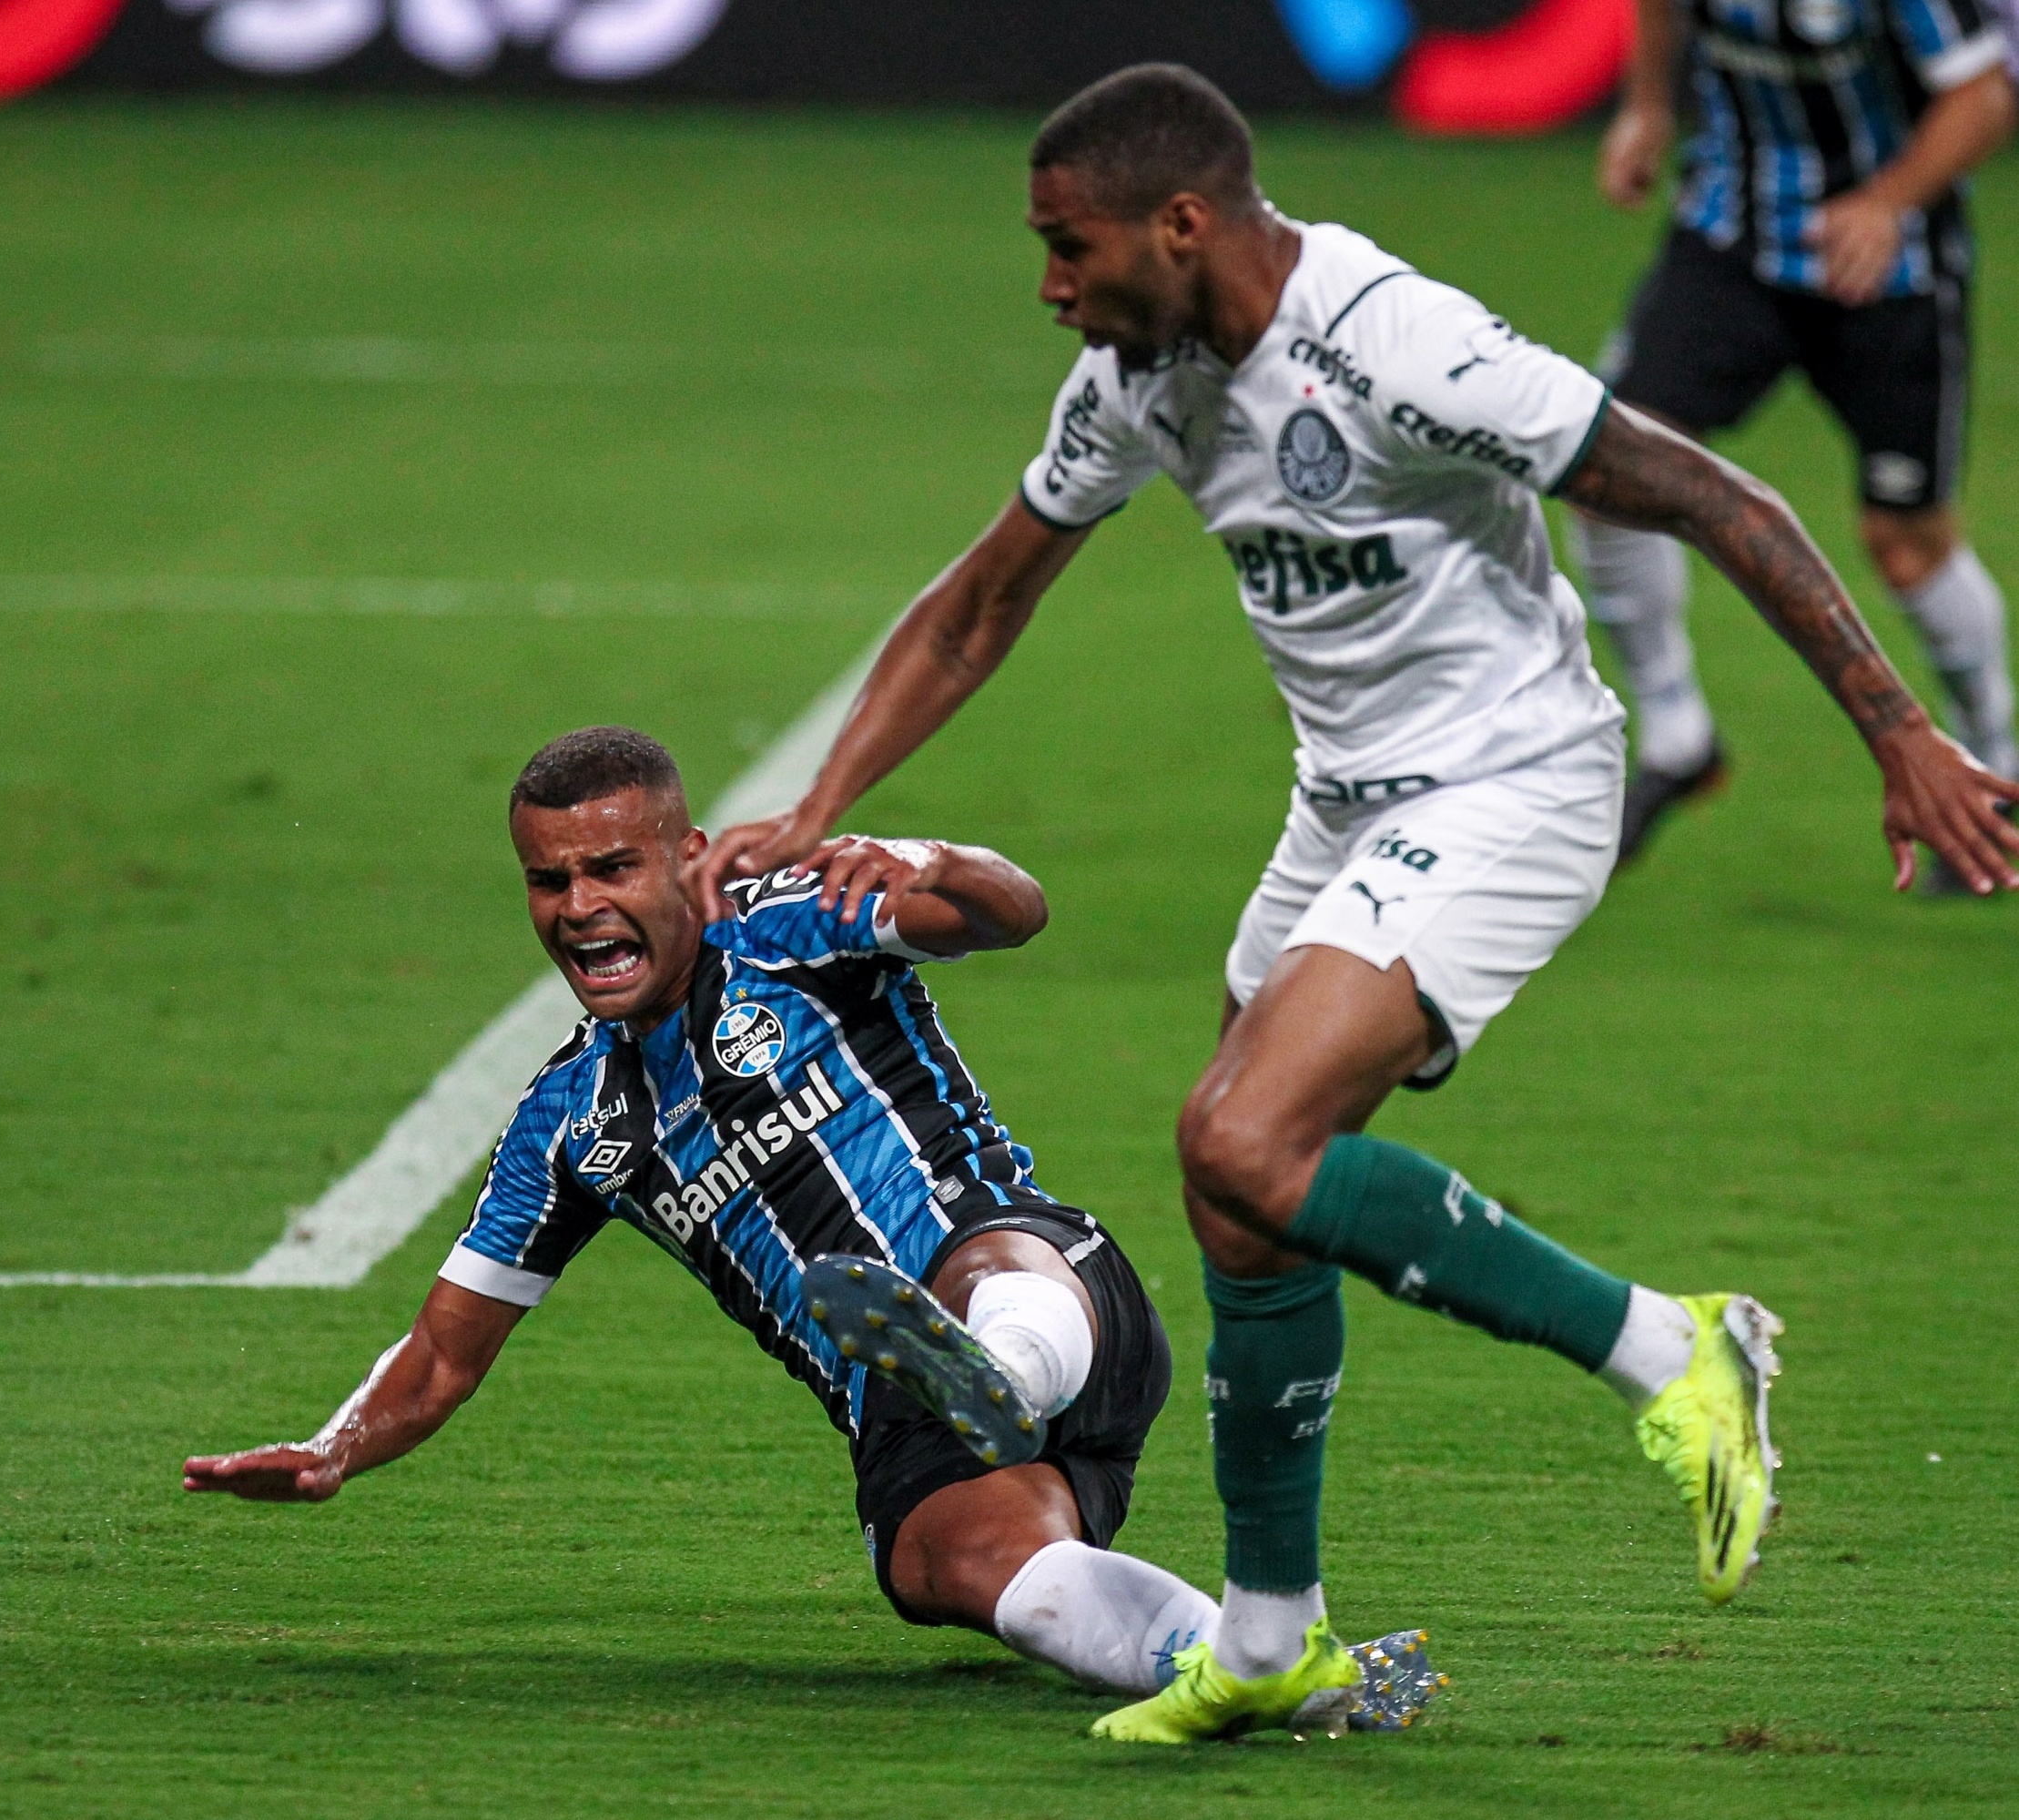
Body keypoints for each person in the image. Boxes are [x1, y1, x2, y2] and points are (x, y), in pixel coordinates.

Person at [693, 64, 2019, 1744]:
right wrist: (817, 810)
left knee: (1242, 1134)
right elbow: (979, 603)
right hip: (1347, 801)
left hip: (1516, 781)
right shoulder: (1137, 374)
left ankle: (1673, 1345)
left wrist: (1901, 732)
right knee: (1249, 1203)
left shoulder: (1398, 344)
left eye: (1066, 245)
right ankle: (1267, 1635)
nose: (1049, 286)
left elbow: (1714, 493)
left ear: (1182, 224)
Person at [182, 727, 1440, 1734]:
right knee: (959, 1567)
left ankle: (993, 1370)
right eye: (548, 878)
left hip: (1043, 1277)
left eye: (610, 867)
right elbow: (444, 1353)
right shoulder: (568, 1121)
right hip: (903, 1412)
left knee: (971, 1262)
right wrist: (338, 1447)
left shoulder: (785, 921)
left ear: (685, 856)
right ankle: (1274, 1668)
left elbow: (1011, 910)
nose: (577, 905)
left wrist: (909, 852)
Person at [1587, 0, 2017, 868]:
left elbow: (1983, 96)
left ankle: (1994, 767)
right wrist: (1649, 108)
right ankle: (1677, 735)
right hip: (1731, 243)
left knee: (1905, 543)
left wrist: (1888, 201)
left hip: (1888, 274)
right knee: (1609, 473)